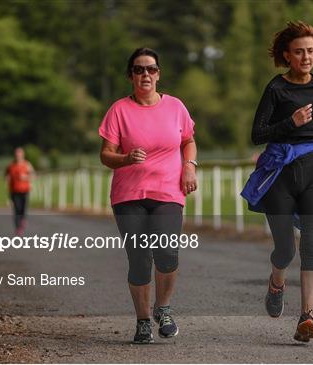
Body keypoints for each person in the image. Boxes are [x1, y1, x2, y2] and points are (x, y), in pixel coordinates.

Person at [241, 21, 313, 342]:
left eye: (311, 51)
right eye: (299, 52)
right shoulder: (276, 88)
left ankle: (306, 317)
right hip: (280, 173)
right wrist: (290, 121)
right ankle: (276, 282)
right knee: (285, 249)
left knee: (312, 246)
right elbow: (258, 134)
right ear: (287, 55)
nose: (306, 57)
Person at [99, 47, 197, 344]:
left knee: (167, 253)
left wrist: (189, 167)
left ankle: (163, 308)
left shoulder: (175, 106)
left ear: (159, 74)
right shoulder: (119, 110)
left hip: (168, 191)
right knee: (140, 259)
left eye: (151, 69)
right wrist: (126, 159)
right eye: (139, 69)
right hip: (128, 195)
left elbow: (189, 141)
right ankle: (143, 321)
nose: (146, 75)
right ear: (131, 75)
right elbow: (105, 155)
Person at [5, 147, 34, 236]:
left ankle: (22, 221)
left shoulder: (27, 165)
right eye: (17, 154)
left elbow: (33, 175)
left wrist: (25, 177)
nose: (18, 156)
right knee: (16, 209)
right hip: (14, 191)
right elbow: (7, 177)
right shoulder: (11, 166)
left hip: (25, 190)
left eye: (20, 154)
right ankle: (18, 228)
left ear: (23, 155)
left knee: (23, 209)